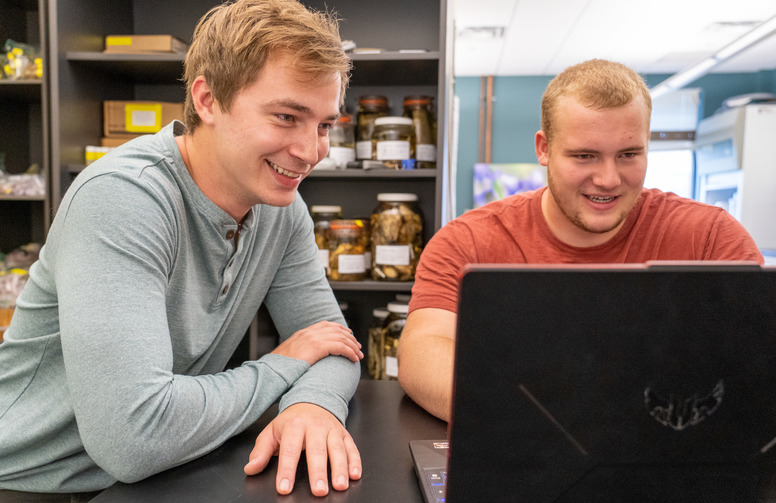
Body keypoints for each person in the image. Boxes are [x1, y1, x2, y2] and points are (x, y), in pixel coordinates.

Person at [0, 0, 364, 500]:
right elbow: (135, 435)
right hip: (35, 484)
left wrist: (314, 405)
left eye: (324, 125)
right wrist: (284, 364)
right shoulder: (123, 197)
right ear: (209, 99)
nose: (311, 151)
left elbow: (333, 343)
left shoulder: (281, 207)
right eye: (286, 117)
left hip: (164, 472)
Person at [397, 59, 764, 422]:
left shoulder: (711, 239)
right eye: (585, 156)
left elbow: (756, 362)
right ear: (543, 149)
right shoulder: (468, 242)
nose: (608, 179)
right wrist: (553, 422)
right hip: (526, 452)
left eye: (628, 155)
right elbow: (421, 355)